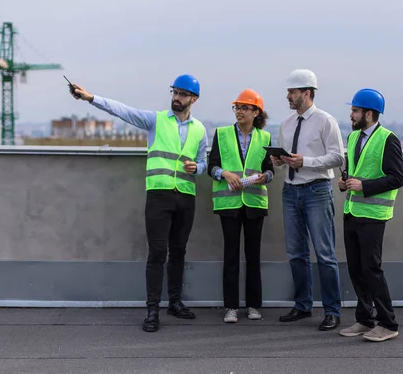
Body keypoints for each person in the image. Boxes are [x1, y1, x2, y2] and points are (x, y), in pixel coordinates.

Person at [69, 75, 208, 333]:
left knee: (179, 252)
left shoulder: (200, 130)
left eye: (182, 94)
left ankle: (175, 303)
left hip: (186, 197)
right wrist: (91, 98)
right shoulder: (156, 120)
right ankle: (152, 310)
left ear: (193, 99)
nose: (176, 98)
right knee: (157, 254)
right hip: (158, 196)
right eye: (174, 93)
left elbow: (203, 164)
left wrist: (196, 167)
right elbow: (123, 111)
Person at [271, 69, 345, 331]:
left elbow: (338, 158)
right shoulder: (286, 124)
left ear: (307, 93)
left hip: (316, 191)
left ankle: (332, 310)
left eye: (292, 92)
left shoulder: (326, 121)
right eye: (289, 92)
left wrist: (306, 162)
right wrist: (278, 161)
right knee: (296, 254)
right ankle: (302, 306)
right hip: (290, 191)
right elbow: (280, 164)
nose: (289, 97)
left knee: (325, 254)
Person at [337, 88, 403, 342]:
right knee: (356, 269)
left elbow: (398, 177)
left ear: (369, 113)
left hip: (373, 215)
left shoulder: (388, 139)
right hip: (352, 211)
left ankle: (388, 323)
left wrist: (364, 186)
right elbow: (355, 172)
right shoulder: (354, 138)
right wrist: (346, 183)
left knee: (371, 269)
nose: (351, 115)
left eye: (355, 110)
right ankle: (365, 319)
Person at [208, 89, 274, 323]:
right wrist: (224, 173)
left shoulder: (264, 138)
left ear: (256, 112)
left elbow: (270, 170)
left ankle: (254, 306)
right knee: (231, 255)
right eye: (237, 107)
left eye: (245, 108)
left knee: (253, 256)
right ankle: (231, 307)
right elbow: (211, 166)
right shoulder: (222, 134)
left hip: (254, 202)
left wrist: (265, 177)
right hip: (229, 203)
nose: (239, 111)